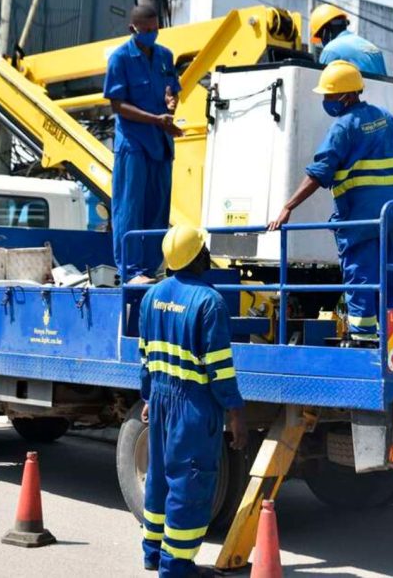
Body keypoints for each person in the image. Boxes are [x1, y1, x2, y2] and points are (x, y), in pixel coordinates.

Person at [268, 60, 393, 341]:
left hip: (361, 219)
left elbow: (318, 174)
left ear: (345, 95)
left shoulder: (343, 127)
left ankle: (364, 340)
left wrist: (287, 207)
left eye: (329, 95)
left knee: (362, 280)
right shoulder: (386, 117)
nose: (325, 100)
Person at [138, 225, 248, 577]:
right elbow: (219, 367)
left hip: (161, 398)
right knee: (190, 484)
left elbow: (145, 356)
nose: (207, 256)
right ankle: (177, 567)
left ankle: (153, 553)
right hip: (193, 405)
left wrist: (148, 397)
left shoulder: (150, 297)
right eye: (204, 250)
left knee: (159, 478)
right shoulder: (209, 301)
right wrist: (235, 412)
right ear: (197, 257)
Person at [104, 5, 184, 285]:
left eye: (155, 29)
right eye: (146, 31)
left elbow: (172, 90)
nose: (152, 34)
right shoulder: (120, 59)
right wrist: (155, 118)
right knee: (130, 207)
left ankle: (151, 270)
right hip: (134, 143)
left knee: (158, 209)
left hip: (161, 142)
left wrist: (172, 102)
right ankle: (131, 270)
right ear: (133, 29)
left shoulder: (165, 56)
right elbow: (117, 105)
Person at [310, 4, 388, 76]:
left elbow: (324, 84)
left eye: (320, 36)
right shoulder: (374, 49)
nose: (322, 41)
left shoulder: (331, 50)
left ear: (325, 31)